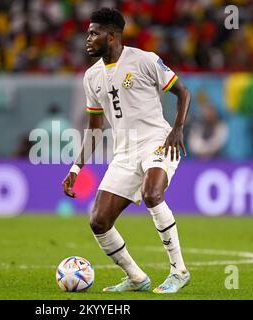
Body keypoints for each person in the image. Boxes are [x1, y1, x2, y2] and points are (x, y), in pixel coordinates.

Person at [61, 8, 191, 294]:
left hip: (157, 141)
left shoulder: (144, 60)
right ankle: (136, 277)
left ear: (112, 36)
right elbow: (94, 129)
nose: (88, 38)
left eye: (94, 33)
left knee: (152, 194)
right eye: (88, 33)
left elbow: (182, 91)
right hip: (124, 153)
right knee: (98, 221)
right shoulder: (92, 77)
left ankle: (178, 271)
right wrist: (75, 168)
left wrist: (177, 127)